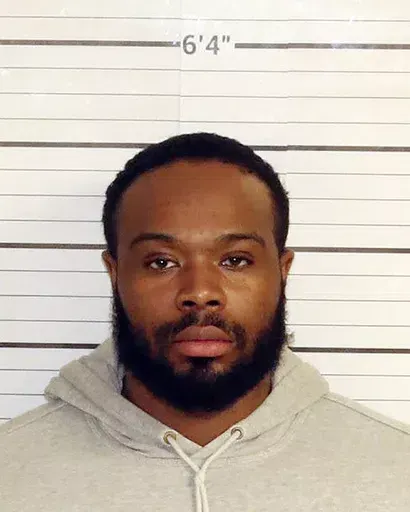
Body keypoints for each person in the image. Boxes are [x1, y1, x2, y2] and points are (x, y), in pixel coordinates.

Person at [1, 132, 409, 511]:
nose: (199, 292)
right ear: (115, 273)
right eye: (161, 262)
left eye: (236, 260)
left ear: (282, 271)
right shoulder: (12, 475)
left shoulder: (395, 472)